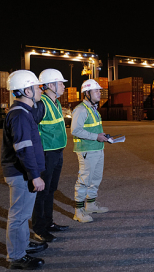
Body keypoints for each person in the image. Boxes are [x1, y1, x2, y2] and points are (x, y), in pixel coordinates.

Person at [2, 70, 47, 270]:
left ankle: (23, 245)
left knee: (22, 214)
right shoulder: (19, 115)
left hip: (24, 172)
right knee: (19, 215)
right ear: (27, 90)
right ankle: (16, 257)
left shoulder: (24, 111)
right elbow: (24, 148)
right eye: (37, 87)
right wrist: (35, 175)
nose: (41, 89)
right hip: (21, 173)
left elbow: (39, 110)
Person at [31, 69, 69, 243]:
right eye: (60, 83)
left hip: (57, 153)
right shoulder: (41, 104)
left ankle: (49, 223)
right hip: (46, 154)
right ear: (50, 85)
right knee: (42, 192)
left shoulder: (57, 103)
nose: (63, 86)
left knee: (51, 190)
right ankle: (39, 229)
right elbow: (31, 130)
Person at [71, 79, 109, 223]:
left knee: (95, 179)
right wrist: (96, 136)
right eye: (96, 91)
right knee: (84, 180)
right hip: (87, 150)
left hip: (97, 148)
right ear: (87, 93)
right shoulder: (80, 109)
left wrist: (103, 137)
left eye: (99, 90)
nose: (100, 93)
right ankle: (78, 211)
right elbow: (75, 130)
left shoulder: (93, 108)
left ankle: (90, 205)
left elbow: (93, 128)